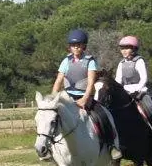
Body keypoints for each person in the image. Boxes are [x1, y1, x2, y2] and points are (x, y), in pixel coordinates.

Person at [51, 28, 119, 157]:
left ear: (84, 46)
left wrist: (85, 99)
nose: (76, 47)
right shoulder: (66, 61)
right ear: (70, 47)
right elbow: (58, 81)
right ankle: (50, 146)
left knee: (102, 115)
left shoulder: (90, 61)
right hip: (68, 96)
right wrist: (53, 97)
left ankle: (111, 145)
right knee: (51, 116)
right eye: (73, 45)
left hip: (85, 96)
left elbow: (91, 82)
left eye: (78, 45)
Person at [114, 35, 152, 143]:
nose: (124, 51)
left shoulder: (139, 61)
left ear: (134, 49)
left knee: (149, 106)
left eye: (127, 48)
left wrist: (137, 90)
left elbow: (144, 78)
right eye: (122, 48)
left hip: (139, 92)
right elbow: (118, 80)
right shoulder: (121, 63)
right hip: (125, 92)